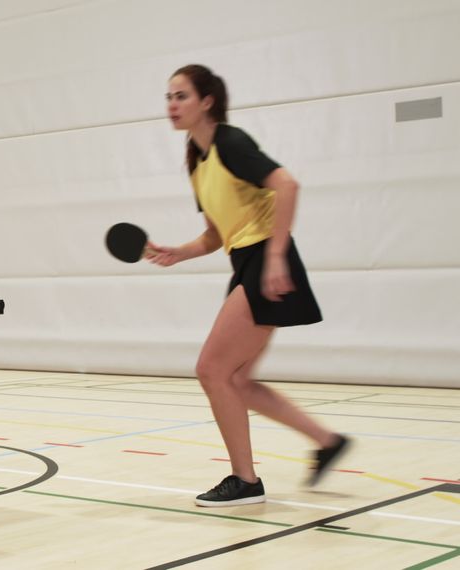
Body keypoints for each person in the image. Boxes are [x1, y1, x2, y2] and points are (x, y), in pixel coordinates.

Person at [148, 64, 350, 507]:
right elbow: (216, 235)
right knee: (236, 379)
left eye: (181, 96)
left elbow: (287, 183)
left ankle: (245, 481)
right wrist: (177, 252)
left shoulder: (230, 142)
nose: (172, 105)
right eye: (168, 97)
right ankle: (327, 440)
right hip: (246, 262)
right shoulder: (196, 160)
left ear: (207, 101)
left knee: (211, 370)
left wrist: (276, 256)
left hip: (266, 260)